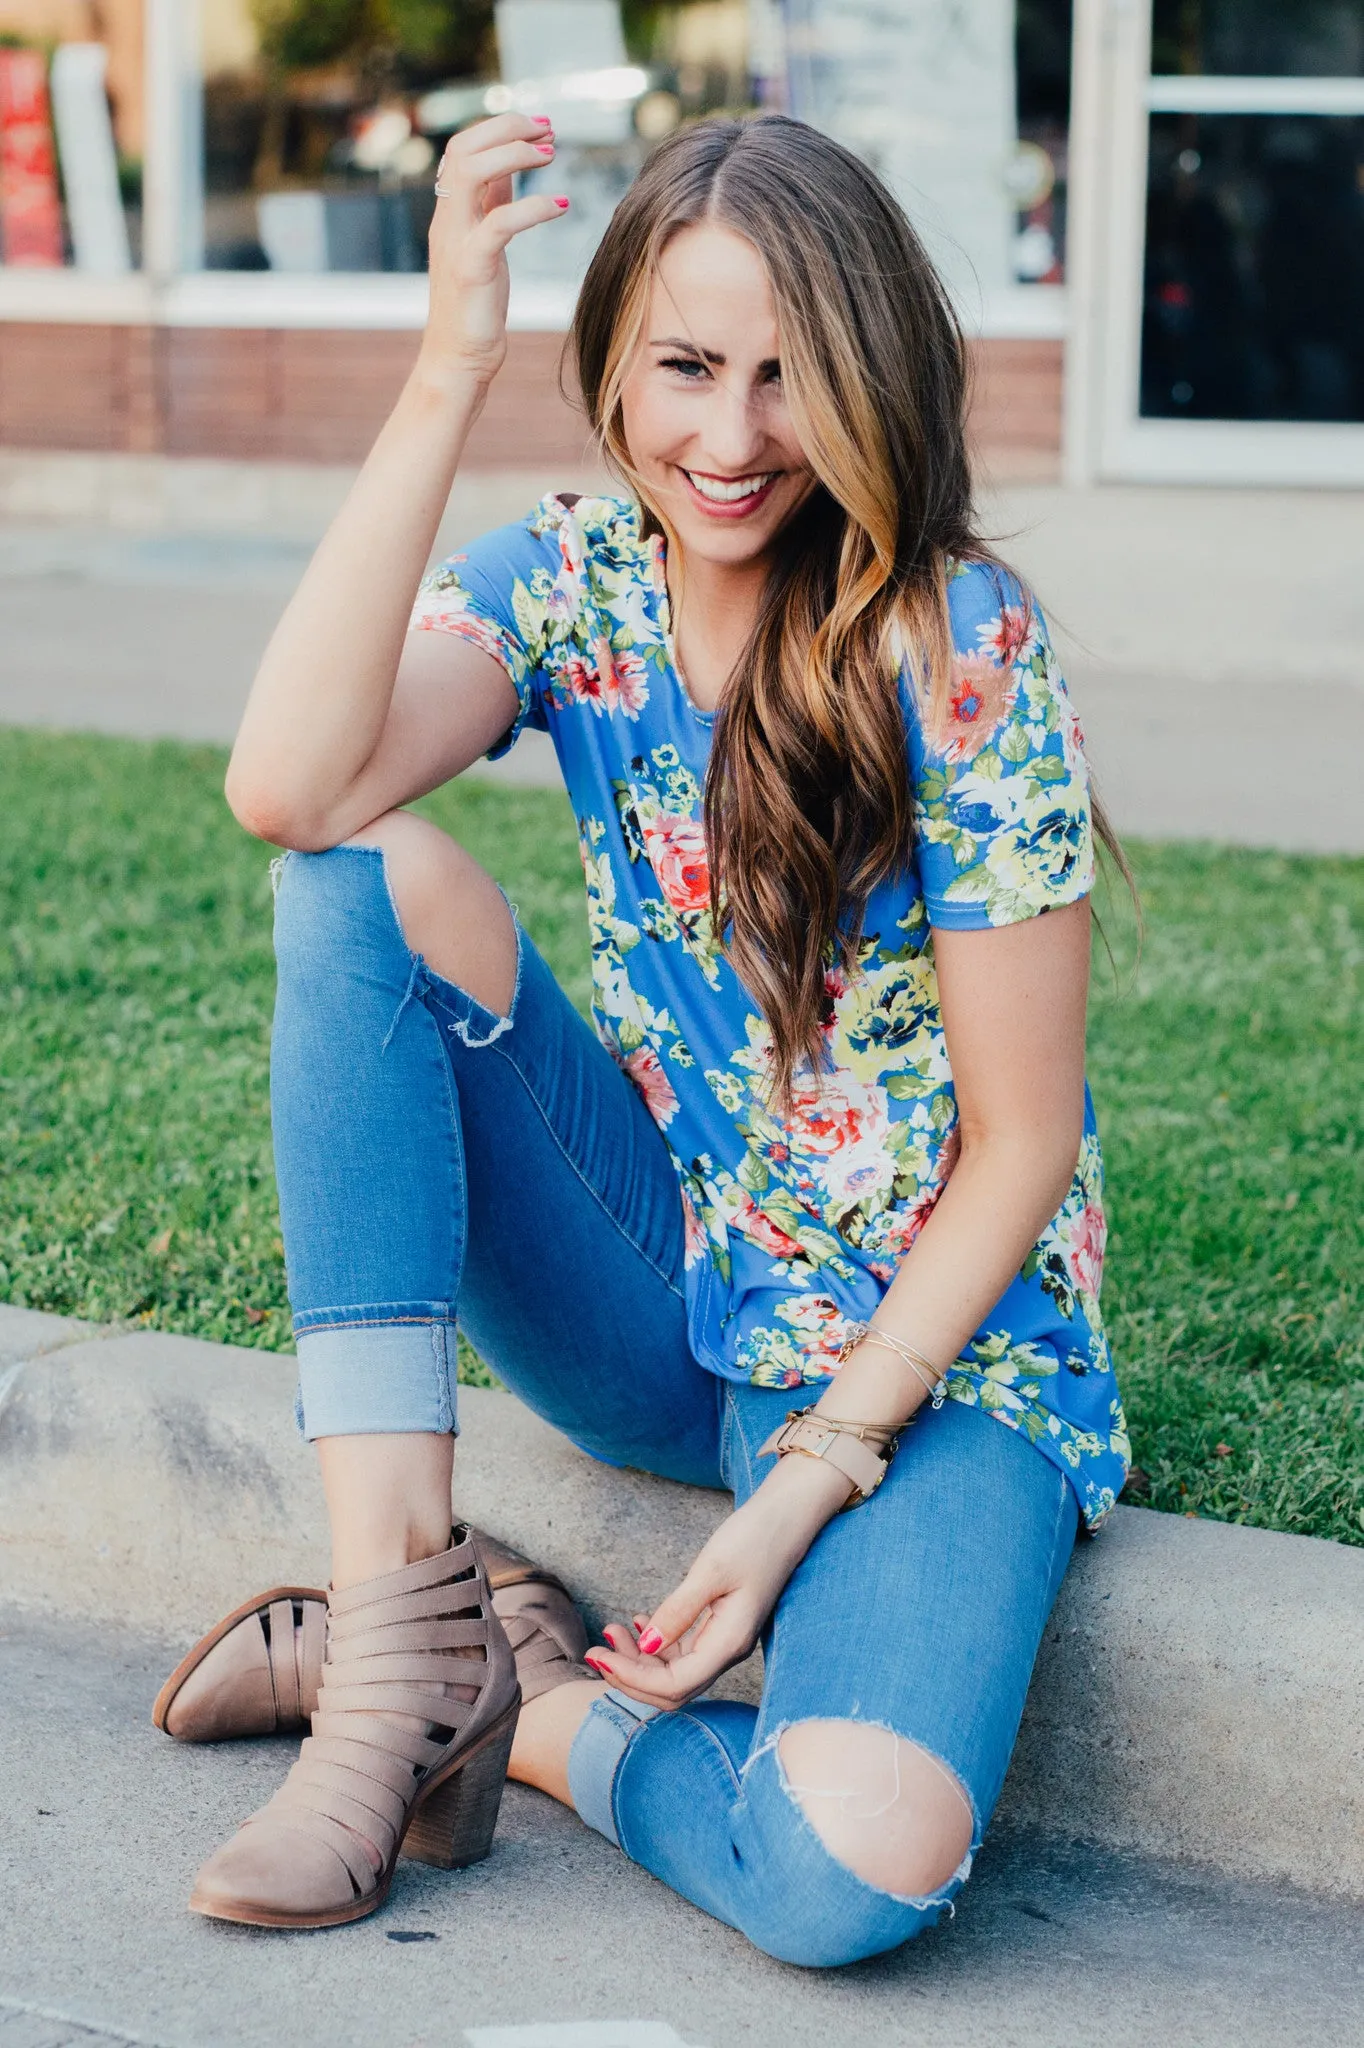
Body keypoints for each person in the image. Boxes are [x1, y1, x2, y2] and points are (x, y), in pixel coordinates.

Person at [167, 111, 1130, 1966]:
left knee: (843, 1880)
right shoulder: (573, 579)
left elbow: (1019, 1147)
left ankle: (515, 1702)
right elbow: (288, 785)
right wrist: (451, 359)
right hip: (666, 1295)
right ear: (610, 358)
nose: (734, 438)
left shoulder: (959, 647)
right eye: (685, 368)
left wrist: (803, 1495)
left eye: (793, 378)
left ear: (870, 381)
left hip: (938, 1376)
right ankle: (391, 1660)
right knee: (348, 881)